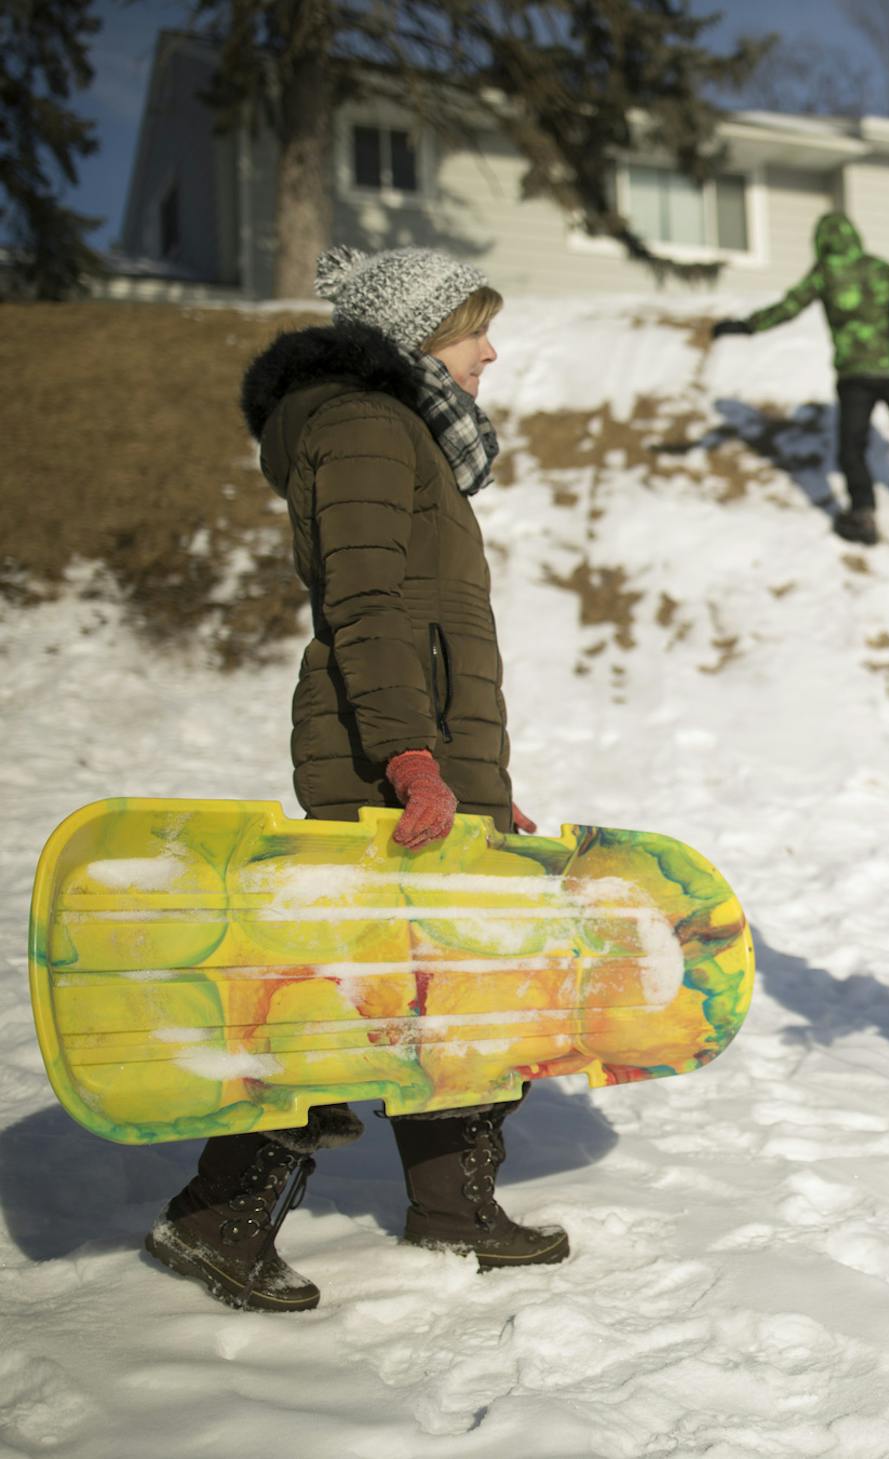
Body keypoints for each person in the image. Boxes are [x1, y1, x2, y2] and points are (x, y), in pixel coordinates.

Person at [147, 246, 568, 1313]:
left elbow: (429, 627)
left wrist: (477, 779)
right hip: (383, 756)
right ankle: (213, 1219)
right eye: (476, 329)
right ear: (423, 336)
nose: (491, 351)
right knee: (351, 992)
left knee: (455, 987)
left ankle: (452, 1205)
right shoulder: (368, 428)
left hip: (424, 752)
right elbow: (369, 607)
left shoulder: (404, 434)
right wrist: (414, 760)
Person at [712, 212, 889, 545]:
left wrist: (745, 326)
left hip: (855, 376)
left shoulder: (825, 274)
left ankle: (863, 514)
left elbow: (789, 307)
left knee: (853, 446)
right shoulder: (879, 267)